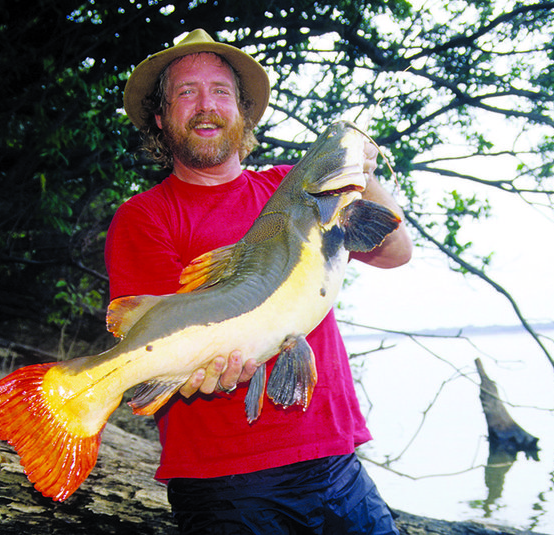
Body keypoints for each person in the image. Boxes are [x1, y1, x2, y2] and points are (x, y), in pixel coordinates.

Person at [106, 29, 413, 535]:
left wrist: (361, 163)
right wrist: (199, 368)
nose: (206, 105)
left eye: (221, 91)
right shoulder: (144, 216)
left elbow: (396, 251)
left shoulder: (291, 189)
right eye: (186, 93)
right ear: (162, 120)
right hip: (226, 486)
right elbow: (155, 341)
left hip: (336, 462)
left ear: (244, 114)